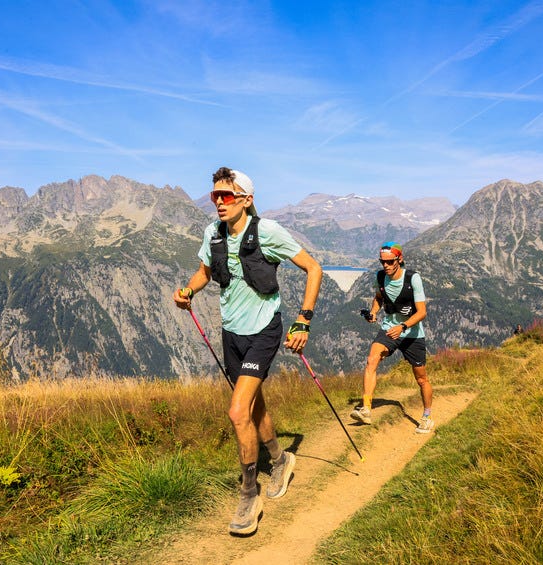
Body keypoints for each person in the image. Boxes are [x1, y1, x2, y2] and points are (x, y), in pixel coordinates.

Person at [173, 167, 322, 535]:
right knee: (253, 405)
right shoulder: (213, 234)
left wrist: (303, 320)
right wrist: (188, 291)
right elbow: (205, 272)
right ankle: (280, 458)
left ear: (246, 200)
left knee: (238, 410)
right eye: (214, 197)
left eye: (227, 196)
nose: (219, 203)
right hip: (232, 334)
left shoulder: (267, 232)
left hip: (264, 332)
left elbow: (313, 268)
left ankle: (248, 494)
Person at [350, 242, 434, 433]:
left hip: (412, 333)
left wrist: (403, 326)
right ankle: (366, 409)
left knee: (421, 379)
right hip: (389, 329)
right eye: (382, 262)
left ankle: (427, 416)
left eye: (390, 262)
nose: (386, 266)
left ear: (399, 260)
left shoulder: (413, 278)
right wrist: (373, 312)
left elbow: (422, 312)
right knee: (372, 359)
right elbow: (379, 297)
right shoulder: (380, 276)